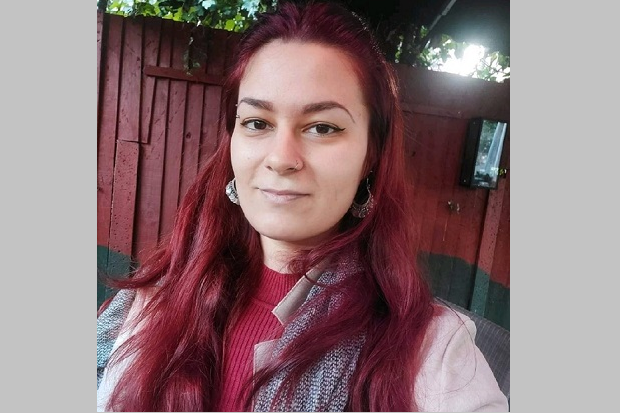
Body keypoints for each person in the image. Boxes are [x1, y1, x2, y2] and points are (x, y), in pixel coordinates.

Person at [96, 1, 509, 411]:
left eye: (322, 127)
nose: (281, 158)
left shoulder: (431, 354)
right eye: (257, 123)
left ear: (371, 156)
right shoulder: (145, 306)